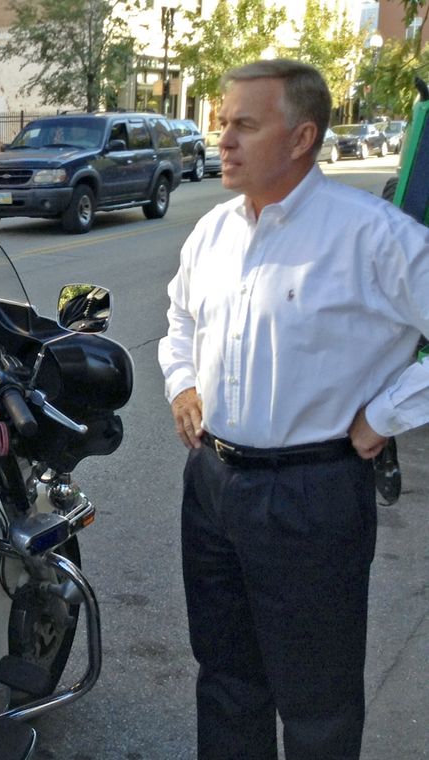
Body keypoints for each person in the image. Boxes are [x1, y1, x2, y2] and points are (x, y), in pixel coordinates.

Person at [158, 59, 429, 760]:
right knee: (226, 683)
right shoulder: (213, 232)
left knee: (317, 702)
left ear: (303, 136)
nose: (224, 139)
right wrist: (182, 381)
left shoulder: (371, 234)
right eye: (224, 122)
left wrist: (388, 413)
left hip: (313, 494)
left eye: (245, 124)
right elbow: (179, 320)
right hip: (214, 487)